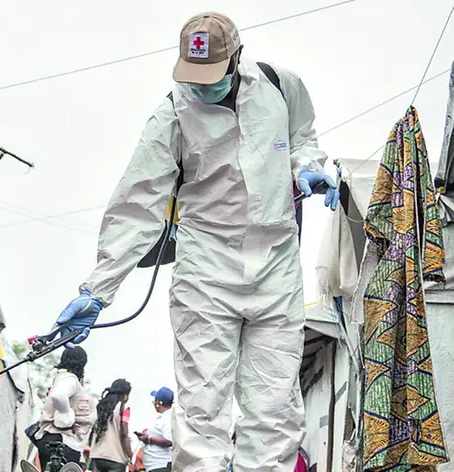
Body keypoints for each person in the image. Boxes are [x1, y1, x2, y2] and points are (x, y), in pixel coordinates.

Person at [53, 11, 339, 471]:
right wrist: (97, 290)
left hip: (276, 265)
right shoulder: (172, 114)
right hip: (206, 269)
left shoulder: (281, 87)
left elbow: (302, 136)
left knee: (274, 411)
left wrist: (306, 165)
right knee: (203, 409)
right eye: (194, 78)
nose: (201, 88)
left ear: (237, 58)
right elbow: (137, 204)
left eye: (212, 78)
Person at [34, 347, 97, 468]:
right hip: (61, 442)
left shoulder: (61, 378)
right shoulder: (70, 378)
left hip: (51, 440)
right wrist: (66, 417)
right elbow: (58, 395)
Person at [89, 379, 133, 472]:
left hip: (97, 456)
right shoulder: (123, 409)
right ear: (125, 395)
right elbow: (124, 434)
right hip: (116, 458)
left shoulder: (100, 407)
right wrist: (130, 455)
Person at [136, 389, 173, 472]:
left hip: (161, 465)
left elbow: (169, 441)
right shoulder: (163, 417)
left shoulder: (168, 418)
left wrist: (149, 439)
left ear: (158, 402)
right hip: (155, 465)